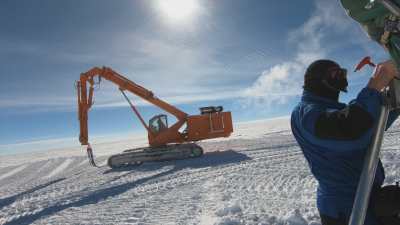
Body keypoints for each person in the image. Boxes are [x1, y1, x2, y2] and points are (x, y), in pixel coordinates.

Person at [291, 59, 400, 225]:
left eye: (343, 73)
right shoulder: (305, 113)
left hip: (366, 195)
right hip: (343, 208)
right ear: (316, 78)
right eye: (336, 73)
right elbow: (351, 131)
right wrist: (374, 86)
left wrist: (395, 100)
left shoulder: (335, 109)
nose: (342, 77)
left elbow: (372, 126)